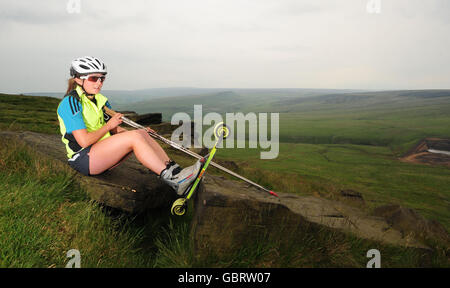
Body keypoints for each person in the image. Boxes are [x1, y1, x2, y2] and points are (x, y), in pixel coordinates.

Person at [56, 56, 201, 195]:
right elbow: (84, 141)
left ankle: (176, 172)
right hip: (83, 158)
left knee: (141, 134)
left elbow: (114, 130)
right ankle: (174, 181)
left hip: (100, 151)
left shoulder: (100, 100)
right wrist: (110, 127)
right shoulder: (70, 103)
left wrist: (141, 133)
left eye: (102, 78)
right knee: (134, 137)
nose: (99, 83)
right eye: (93, 78)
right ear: (78, 79)